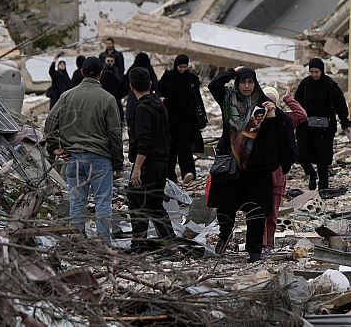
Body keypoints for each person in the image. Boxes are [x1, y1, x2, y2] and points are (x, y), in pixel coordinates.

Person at [205, 67, 296, 261]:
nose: (247, 86)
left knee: (257, 208)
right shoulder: (228, 100)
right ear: (237, 83)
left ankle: (254, 250)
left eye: (250, 82)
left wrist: (273, 115)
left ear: (255, 84)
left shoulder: (263, 104)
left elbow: (284, 128)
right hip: (232, 163)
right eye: (243, 82)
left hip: (256, 166)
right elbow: (214, 85)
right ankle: (224, 236)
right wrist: (231, 71)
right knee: (225, 205)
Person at [45, 56, 124, 243]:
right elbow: (114, 133)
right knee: (103, 202)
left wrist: (53, 147)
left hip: (73, 158)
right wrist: (118, 163)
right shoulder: (108, 99)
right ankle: (104, 243)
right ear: (101, 74)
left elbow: (50, 122)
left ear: (81, 72)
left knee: (77, 202)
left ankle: (76, 241)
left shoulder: (67, 96)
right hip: (100, 158)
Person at [124, 67, 174, 251]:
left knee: (137, 201)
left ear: (131, 86)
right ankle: (169, 244)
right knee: (155, 205)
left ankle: (139, 245)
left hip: (148, 163)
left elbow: (144, 141)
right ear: (150, 84)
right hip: (161, 162)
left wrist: (137, 167)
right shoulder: (160, 106)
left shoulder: (143, 109)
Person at [261, 85, 307, 254]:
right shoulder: (256, 119)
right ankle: (260, 242)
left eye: (271, 101)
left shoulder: (283, 119)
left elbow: (301, 115)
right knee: (259, 210)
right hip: (260, 173)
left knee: (272, 212)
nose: (268, 105)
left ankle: (268, 243)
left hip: (277, 174)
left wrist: (289, 98)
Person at [294, 58, 350, 195]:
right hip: (306, 126)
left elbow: (340, 106)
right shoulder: (305, 84)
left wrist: (345, 122)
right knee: (301, 155)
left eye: (317, 71)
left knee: (322, 159)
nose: (314, 74)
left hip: (324, 128)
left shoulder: (330, 85)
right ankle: (312, 174)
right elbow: (296, 103)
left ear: (322, 71)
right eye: (311, 72)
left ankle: (323, 187)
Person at [155, 54, 207, 182]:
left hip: (187, 121)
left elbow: (197, 98)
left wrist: (201, 116)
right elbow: (159, 91)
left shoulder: (192, 79)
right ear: (176, 65)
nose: (183, 69)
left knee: (185, 148)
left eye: (185, 67)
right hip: (170, 119)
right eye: (180, 67)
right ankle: (169, 177)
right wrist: (161, 98)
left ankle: (188, 174)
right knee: (171, 149)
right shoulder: (168, 76)